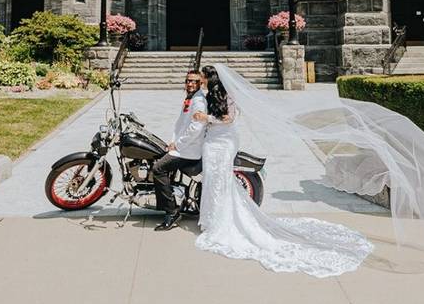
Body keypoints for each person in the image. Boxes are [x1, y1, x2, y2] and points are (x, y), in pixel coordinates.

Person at [191, 65, 375, 277]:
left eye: (203, 77)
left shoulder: (228, 96)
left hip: (224, 140)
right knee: (213, 179)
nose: (200, 80)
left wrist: (207, 119)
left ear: (210, 79)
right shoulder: (206, 96)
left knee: (222, 179)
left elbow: (229, 119)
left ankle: (223, 221)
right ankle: (212, 217)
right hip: (211, 141)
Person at [153, 70, 207, 232]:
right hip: (182, 145)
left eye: (194, 81)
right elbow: (180, 124)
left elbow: (196, 127)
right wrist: (172, 141)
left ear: (201, 84)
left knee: (158, 168)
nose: (190, 84)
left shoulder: (198, 101)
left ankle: (171, 211)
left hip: (189, 150)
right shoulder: (190, 99)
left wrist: (178, 145)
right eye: (188, 81)